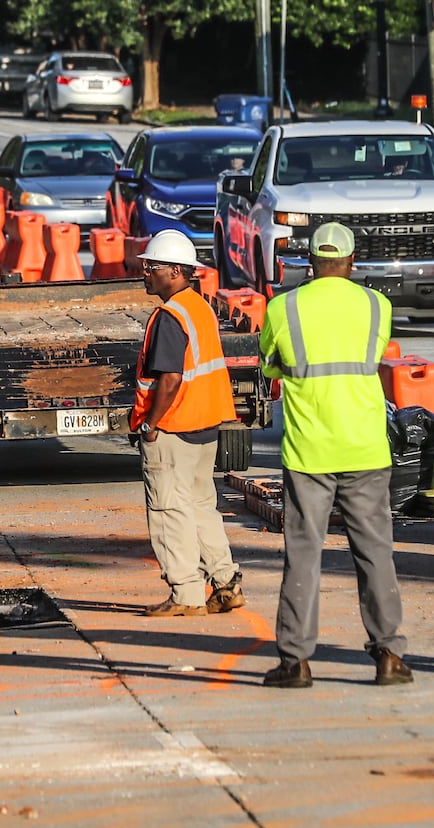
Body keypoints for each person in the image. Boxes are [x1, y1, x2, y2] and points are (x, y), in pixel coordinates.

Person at [257, 222, 411, 690]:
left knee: (303, 555)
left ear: (310, 261)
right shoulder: (375, 305)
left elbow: (268, 362)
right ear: (350, 262)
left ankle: (296, 662)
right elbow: (376, 352)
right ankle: (388, 655)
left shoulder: (283, 308)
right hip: (365, 445)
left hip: (309, 451)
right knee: (375, 552)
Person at [130, 229, 245, 618]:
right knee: (200, 507)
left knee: (169, 510)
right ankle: (225, 584)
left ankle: (186, 594)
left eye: (153, 267)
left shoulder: (169, 316)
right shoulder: (199, 307)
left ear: (177, 271)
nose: (145, 272)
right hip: (204, 425)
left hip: (172, 428)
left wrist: (150, 424)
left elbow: (170, 378)